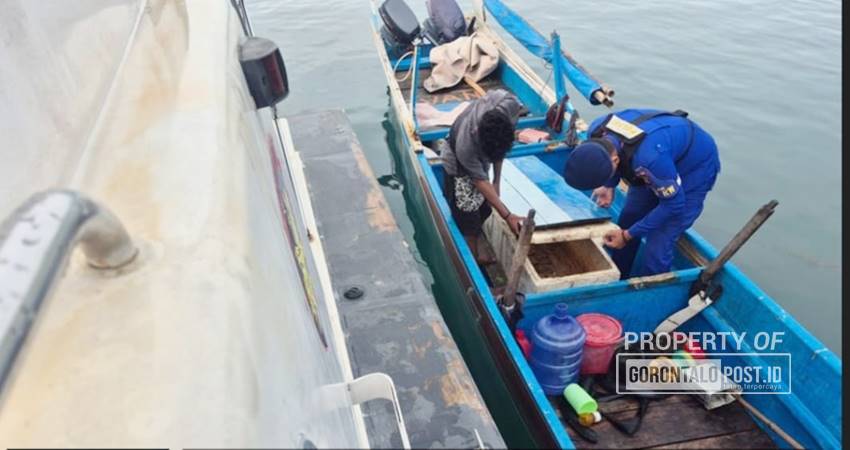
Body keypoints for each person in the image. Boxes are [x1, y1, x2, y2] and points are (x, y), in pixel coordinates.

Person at [562, 109, 721, 277]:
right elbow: (610, 153)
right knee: (628, 219)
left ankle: (653, 290)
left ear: (615, 161)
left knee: (659, 241)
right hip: (657, 156)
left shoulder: (648, 159)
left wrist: (627, 235)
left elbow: (674, 204)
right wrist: (608, 185)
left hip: (694, 165)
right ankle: (620, 277)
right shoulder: (596, 130)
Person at [441, 89, 525, 263]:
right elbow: (479, 181)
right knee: (467, 220)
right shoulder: (466, 148)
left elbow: (499, 151)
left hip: (482, 159)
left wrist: (496, 181)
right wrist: (508, 216)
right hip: (458, 168)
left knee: (484, 207)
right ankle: (473, 262)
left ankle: (478, 249)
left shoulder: (509, 104)